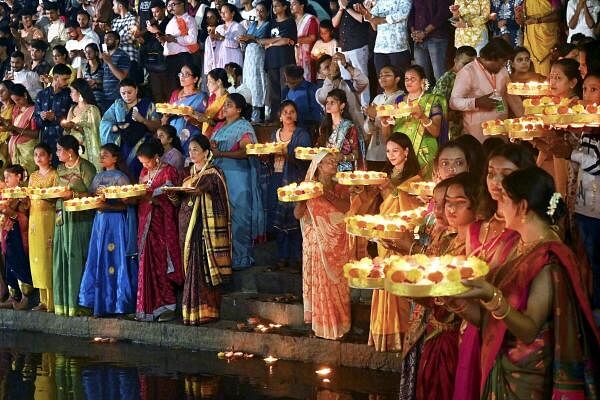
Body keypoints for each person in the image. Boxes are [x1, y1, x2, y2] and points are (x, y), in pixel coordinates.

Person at [448, 167, 600, 399]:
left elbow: (528, 330)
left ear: (523, 207)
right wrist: (453, 299)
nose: (499, 206)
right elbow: (490, 320)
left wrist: (491, 296)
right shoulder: (519, 246)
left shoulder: (549, 259)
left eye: (505, 200)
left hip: (526, 379)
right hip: (501, 361)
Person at [454, 143, 535, 400]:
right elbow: (468, 291)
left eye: (507, 174)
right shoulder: (475, 229)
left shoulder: (528, 235)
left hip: (511, 340)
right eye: (491, 173)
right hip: (474, 334)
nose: (496, 182)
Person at [401, 172, 480, 400]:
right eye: (447, 203)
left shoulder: (474, 249)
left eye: (459, 203)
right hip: (434, 333)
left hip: (454, 338)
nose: (450, 209)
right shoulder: (447, 239)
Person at [368, 133, 421, 352]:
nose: (391, 155)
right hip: (384, 234)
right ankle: (385, 335)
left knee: (399, 282)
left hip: (402, 237)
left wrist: (391, 191)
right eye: (388, 151)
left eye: (395, 151)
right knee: (384, 280)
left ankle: (403, 335)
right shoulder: (386, 175)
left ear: (406, 152)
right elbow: (379, 205)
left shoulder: (415, 180)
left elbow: (412, 209)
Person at [174, 135, 231, 325]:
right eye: (190, 150)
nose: (192, 153)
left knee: (203, 270)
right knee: (191, 269)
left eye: (196, 149)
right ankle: (191, 312)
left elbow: (213, 196)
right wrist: (174, 195)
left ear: (206, 153)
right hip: (189, 228)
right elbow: (182, 200)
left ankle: (207, 311)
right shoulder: (188, 174)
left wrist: (196, 190)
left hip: (205, 231)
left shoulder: (214, 174)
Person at [294, 151, 351, 339]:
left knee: (338, 283)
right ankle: (323, 325)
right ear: (318, 166)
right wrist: (304, 197)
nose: (333, 164)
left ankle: (341, 324)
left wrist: (325, 193)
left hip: (337, 242)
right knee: (322, 282)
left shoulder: (341, 186)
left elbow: (345, 208)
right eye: (328, 162)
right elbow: (298, 214)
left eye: (334, 161)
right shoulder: (308, 187)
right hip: (317, 242)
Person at [78, 143, 138, 316]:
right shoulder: (98, 177)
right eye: (100, 154)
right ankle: (99, 301)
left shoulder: (121, 178)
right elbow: (91, 197)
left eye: (105, 155)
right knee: (99, 258)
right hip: (100, 222)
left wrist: (106, 207)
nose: (101, 157)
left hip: (116, 223)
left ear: (115, 158)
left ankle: (119, 302)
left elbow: (127, 205)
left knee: (115, 260)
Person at [210, 93, 265, 269]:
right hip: (219, 174)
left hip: (238, 176)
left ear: (239, 110)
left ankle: (241, 258)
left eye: (229, 105)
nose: (225, 107)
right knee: (221, 215)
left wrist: (221, 153)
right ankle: (222, 258)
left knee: (239, 215)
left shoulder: (244, 127)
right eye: (224, 104)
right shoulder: (218, 126)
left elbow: (245, 152)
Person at [135, 140, 183, 322]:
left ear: (156, 157)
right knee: (146, 263)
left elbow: (175, 200)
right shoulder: (144, 172)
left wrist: (157, 198)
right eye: (142, 163)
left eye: (146, 162)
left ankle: (167, 305)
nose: (144, 166)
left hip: (162, 224)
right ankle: (147, 307)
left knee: (161, 263)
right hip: (145, 221)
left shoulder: (169, 171)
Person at [53, 135, 97, 316]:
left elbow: (92, 195)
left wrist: (71, 196)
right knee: (61, 257)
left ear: (70, 152)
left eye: (59, 150)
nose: (57, 153)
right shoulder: (60, 168)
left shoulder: (86, 167)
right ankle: (64, 304)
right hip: (62, 216)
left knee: (78, 256)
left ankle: (81, 303)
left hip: (80, 217)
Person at [450, 38, 523, 143]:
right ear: (492, 57)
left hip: (501, 130)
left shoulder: (502, 71)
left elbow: (511, 96)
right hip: (478, 133)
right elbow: (454, 102)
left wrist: (524, 119)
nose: (503, 65)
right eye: (502, 62)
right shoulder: (468, 72)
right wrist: (476, 102)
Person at [569, 72, 600, 313]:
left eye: (594, 89)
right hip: (584, 202)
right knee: (587, 258)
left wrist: (570, 152)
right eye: (585, 89)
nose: (587, 95)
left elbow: (595, 164)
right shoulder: (587, 125)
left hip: (597, 206)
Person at [384, 65, 447, 178]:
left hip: (424, 154)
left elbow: (436, 132)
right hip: (402, 155)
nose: (408, 82)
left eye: (413, 78)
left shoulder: (432, 100)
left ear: (422, 81)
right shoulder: (399, 101)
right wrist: (384, 123)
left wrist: (422, 117)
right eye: (406, 79)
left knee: (422, 190)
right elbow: (389, 137)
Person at [269, 100, 311, 268]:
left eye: (292, 111)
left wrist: (287, 154)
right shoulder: (275, 134)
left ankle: (297, 259)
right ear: (280, 116)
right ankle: (282, 257)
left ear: (296, 115)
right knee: (278, 218)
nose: (288, 114)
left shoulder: (302, 135)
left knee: (294, 218)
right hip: (277, 177)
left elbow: (304, 159)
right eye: (285, 111)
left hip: (295, 179)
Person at [100, 78, 160, 180]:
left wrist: (142, 120)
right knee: (124, 175)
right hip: (122, 146)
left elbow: (157, 126)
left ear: (136, 90)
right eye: (123, 93)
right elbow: (105, 122)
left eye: (129, 92)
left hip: (142, 147)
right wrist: (113, 127)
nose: (126, 96)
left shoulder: (147, 104)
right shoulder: (118, 105)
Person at [27, 143, 59, 312]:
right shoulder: (32, 176)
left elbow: (56, 196)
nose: (38, 158)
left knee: (48, 257)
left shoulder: (55, 175)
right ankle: (42, 301)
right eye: (36, 155)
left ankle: (53, 301)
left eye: (42, 154)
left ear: (50, 157)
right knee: (37, 258)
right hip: (34, 220)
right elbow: (29, 196)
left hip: (49, 218)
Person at [0, 164, 32, 310]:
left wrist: (10, 212)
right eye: (5, 177)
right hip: (8, 230)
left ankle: (26, 297)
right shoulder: (8, 193)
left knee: (18, 259)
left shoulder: (23, 193)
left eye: (8, 176)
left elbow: (25, 213)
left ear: (18, 177)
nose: (5, 179)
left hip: (18, 231)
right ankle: (14, 295)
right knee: (8, 260)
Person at [353, 0, 412, 74]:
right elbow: (374, 25)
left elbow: (403, 14)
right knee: (382, 80)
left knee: (399, 80)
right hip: (379, 49)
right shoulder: (380, 1)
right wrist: (364, 11)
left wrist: (380, 20)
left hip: (398, 48)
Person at [261, 0, 297, 119]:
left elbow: (288, 40)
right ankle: (275, 117)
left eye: (277, 5)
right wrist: (278, 41)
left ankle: (286, 116)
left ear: (284, 7)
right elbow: (262, 41)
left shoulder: (290, 22)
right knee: (273, 92)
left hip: (285, 61)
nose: (274, 8)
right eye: (273, 6)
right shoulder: (270, 23)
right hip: (271, 61)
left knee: (285, 89)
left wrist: (271, 43)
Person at [363, 65, 404, 171]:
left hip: (391, 153)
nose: (383, 78)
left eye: (387, 75)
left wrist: (376, 115)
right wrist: (371, 118)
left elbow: (397, 125)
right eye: (380, 76)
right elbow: (368, 130)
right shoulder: (378, 98)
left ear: (397, 79)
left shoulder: (401, 98)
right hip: (373, 152)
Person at [315, 53, 368, 135]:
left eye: (332, 64)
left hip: (357, 134)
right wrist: (331, 76)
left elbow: (364, 82)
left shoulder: (350, 84)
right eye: (327, 67)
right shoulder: (319, 93)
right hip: (335, 137)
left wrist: (346, 64)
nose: (332, 68)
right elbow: (324, 98)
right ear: (320, 74)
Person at [432, 46, 477, 141]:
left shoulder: (471, 76)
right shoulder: (447, 79)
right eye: (465, 64)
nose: (469, 67)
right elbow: (437, 106)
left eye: (472, 64)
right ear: (455, 60)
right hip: (453, 127)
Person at [332, 0, 371, 107]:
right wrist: (341, 8)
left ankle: (365, 107)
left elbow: (362, 19)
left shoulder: (359, 2)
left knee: (361, 76)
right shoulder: (339, 5)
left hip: (358, 45)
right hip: (344, 47)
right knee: (346, 78)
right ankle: (350, 105)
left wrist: (347, 7)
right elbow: (334, 23)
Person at [162, 64, 207, 154]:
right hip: (173, 135)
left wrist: (193, 119)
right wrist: (166, 116)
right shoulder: (175, 94)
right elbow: (166, 116)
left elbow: (205, 124)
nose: (182, 77)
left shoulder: (202, 97)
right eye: (181, 74)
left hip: (191, 137)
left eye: (186, 74)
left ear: (195, 79)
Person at [318, 88, 365, 171]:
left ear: (342, 105)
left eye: (332, 102)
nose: (328, 105)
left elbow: (356, 154)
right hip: (327, 169)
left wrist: (343, 157)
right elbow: (320, 147)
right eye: (327, 102)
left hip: (344, 170)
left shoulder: (349, 127)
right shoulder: (324, 126)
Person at [33, 63, 73, 161]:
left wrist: (55, 118)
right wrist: (42, 117)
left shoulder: (70, 94)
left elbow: (73, 118)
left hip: (63, 139)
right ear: (55, 77)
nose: (67, 82)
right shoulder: (42, 94)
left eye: (68, 79)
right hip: (45, 139)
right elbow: (36, 118)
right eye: (65, 79)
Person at [238, 2, 270, 123]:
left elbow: (264, 41)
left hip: (259, 58)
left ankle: (260, 114)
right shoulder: (252, 24)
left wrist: (251, 38)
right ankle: (249, 113)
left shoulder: (268, 25)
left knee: (259, 85)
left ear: (267, 12)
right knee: (249, 84)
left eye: (262, 11)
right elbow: (247, 39)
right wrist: (242, 40)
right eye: (257, 11)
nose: (259, 13)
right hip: (249, 59)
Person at [61, 79, 102, 170]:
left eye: (72, 91)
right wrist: (67, 128)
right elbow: (66, 134)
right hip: (74, 149)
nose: (70, 94)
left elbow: (95, 133)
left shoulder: (92, 110)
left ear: (80, 93)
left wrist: (75, 126)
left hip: (88, 149)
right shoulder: (72, 109)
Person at [161, 0, 199, 97]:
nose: (170, 8)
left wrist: (174, 39)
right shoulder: (170, 22)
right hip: (170, 58)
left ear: (182, 4)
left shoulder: (190, 20)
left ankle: (185, 108)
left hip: (183, 57)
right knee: (171, 88)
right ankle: (174, 109)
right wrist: (163, 40)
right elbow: (168, 42)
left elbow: (192, 40)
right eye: (169, 5)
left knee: (184, 87)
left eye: (173, 4)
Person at [408, 0, 451, 83]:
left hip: (436, 37)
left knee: (439, 74)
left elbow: (442, 14)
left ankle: (441, 95)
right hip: (419, 39)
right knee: (421, 74)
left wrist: (425, 32)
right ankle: (425, 95)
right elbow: (412, 13)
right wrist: (414, 33)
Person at [522, 0, 561, 76]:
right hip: (530, 40)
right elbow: (524, 20)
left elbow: (557, 14)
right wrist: (519, 18)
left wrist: (537, 20)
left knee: (547, 71)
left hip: (546, 41)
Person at [282, 64, 323, 135]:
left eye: (292, 83)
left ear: (300, 78)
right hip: (293, 128)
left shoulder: (312, 89)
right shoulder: (289, 91)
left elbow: (318, 113)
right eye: (287, 82)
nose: (288, 85)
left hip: (309, 128)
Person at [188, 67, 230, 137]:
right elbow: (207, 117)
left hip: (218, 136)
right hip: (206, 134)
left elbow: (225, 124)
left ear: (219, 82)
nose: (207, 84)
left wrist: (206, 119)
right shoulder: (212, 97)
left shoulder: (228, 100)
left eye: (210, 81)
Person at [5, 83, 37, 174]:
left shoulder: (33, 110)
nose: (17, 103)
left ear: (25, 95)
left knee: (26, 176)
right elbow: (14, 128)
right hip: (14, 149)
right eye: (14, 101)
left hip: (27, 150)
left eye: (18, 100)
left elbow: (36, 134)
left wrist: (15, 129)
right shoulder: (16, 109)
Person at [100, 31, 131, 111]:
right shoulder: (105, 55)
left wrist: (109, 62)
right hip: (104, 96)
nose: (106, 41)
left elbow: (122, 77)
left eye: (109, 39)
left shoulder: (122, 55)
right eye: (105, 39)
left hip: (117, 96)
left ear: (117, 41)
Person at [291, 0, 318, 82]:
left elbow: (312, 38)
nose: (291, 6)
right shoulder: (292, 21)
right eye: (290, 4)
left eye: (294, 4)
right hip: (294, 55)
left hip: (308, 57)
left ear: (302, 5)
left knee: (308, 80)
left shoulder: (310, 19)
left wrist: (295, 40)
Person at [213, 4, 245, 68]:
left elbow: (236, 44)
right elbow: (214, 45)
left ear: (232, 13)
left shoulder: (238, 26)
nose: (223, 14)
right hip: (220, 58)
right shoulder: (219, 27)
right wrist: (212, 39)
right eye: (222, 12)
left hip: (233, 58)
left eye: (225, 12)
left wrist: (223, 38)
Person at [79, 43, 104, 110]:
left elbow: (107, 81)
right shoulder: (84, 66)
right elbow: (79, 82)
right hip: (87, 97)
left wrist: (96, 81)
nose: (88, 54)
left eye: (90, 52)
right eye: (86, 52)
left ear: (96, 53)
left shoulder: (103, 66)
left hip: (100, 97)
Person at [0, 80, 13, 172]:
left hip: (7, 143)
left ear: (10, 91)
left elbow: (12, 125)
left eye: (3, 90)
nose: (0, 93)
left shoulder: (14, 108)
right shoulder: (2, 108)